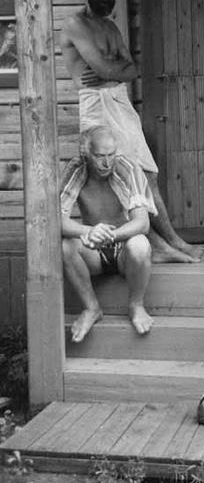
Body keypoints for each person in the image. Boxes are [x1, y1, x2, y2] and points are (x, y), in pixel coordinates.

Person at [60, 0, 204, 264]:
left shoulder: (111, 28)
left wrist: (112, 70)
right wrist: (113, 69)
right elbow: (107, 69)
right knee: (118, 176)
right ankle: (160, 247)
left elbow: (132, 70)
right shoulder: (75, 25)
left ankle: (175, 240)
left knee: (148, 174)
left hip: (119, 101)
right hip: (96, 103)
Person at [61, 126, 156, 343]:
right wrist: (87, 231)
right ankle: (92, 308)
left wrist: (110, 236)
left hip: (124, 252)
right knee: (64, 245)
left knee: (140, 245)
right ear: (87, 153)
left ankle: (136, 305)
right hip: (93, 252)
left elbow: (142, 223)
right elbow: (54, 219)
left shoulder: (127, 168)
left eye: (111, 155)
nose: (107, 163)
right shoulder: (77, 169)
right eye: (100, 156)